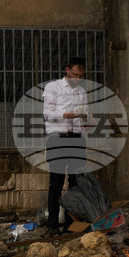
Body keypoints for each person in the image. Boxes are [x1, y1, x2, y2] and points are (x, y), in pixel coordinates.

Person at [42, 57, 90, 234]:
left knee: (76, 183)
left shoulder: (82, 92)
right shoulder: (52, 88)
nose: (77, 79)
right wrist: (65, 115)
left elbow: (83, 115)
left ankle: (71, 225)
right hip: (57, 139)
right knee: (56, 183)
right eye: (75, 74)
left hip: (77, 139)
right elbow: (47, 114)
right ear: (67, 70)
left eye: (81, 76)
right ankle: (53, 226)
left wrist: (87, 122)